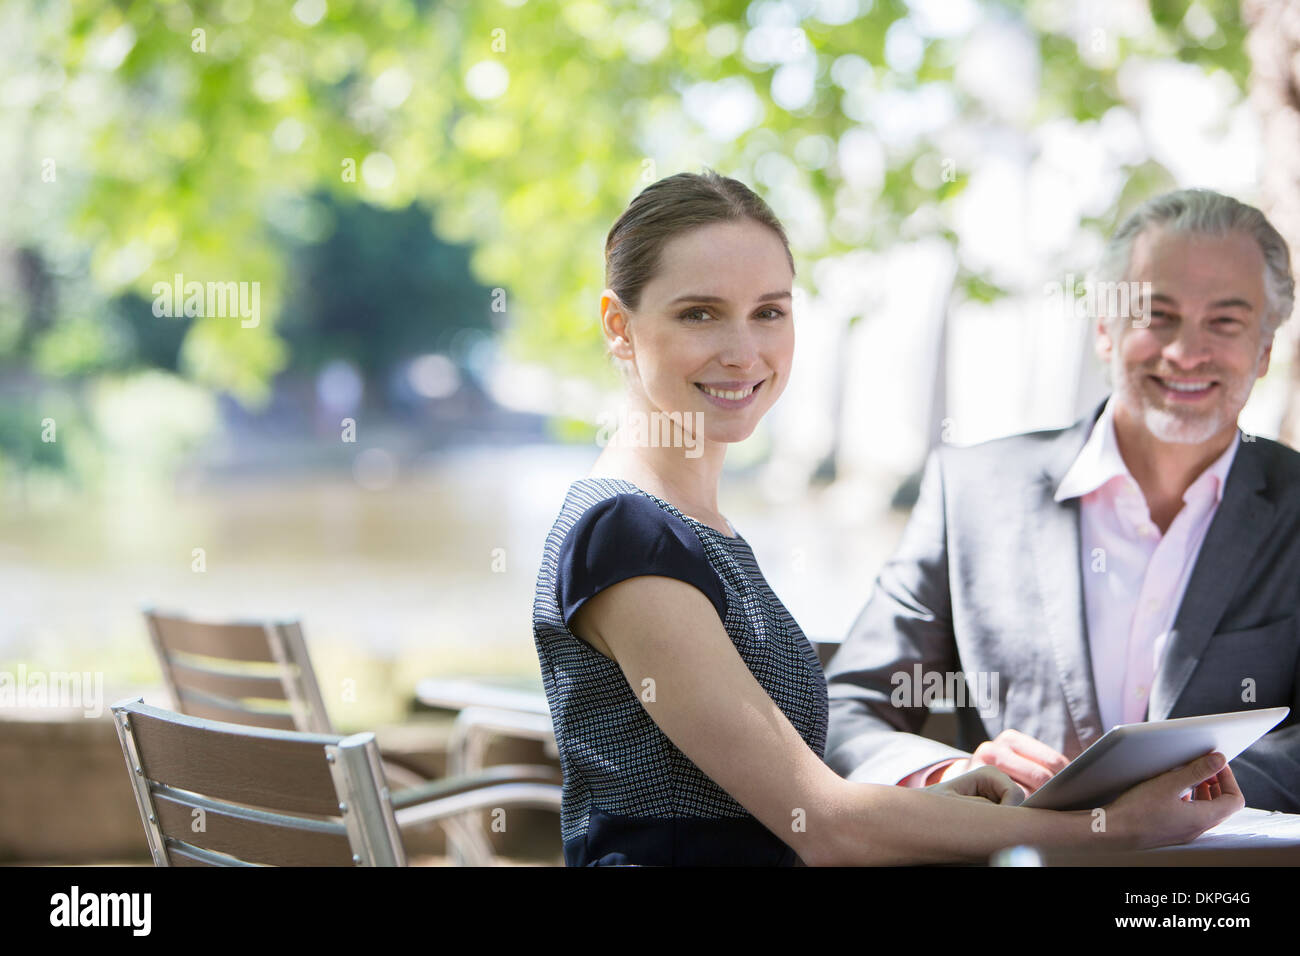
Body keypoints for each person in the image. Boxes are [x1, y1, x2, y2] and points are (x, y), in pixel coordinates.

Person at [531, 171, 1242, 866]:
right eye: (699, 313)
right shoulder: (624, 535)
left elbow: (788, 811)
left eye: (769, 311)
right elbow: (827, 826)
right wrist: (1109, 829)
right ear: (619, 328)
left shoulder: (689, 525)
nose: (744, 351)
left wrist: (951, 801)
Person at [825, 188, 1300, 813]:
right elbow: (846, 706)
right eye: (1156, 314)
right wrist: (946, 773)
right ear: (1105, 328)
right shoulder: (971, 492)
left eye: (1226, 322)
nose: (1186, 351)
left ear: (1264, 350)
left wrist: (1166, 795)